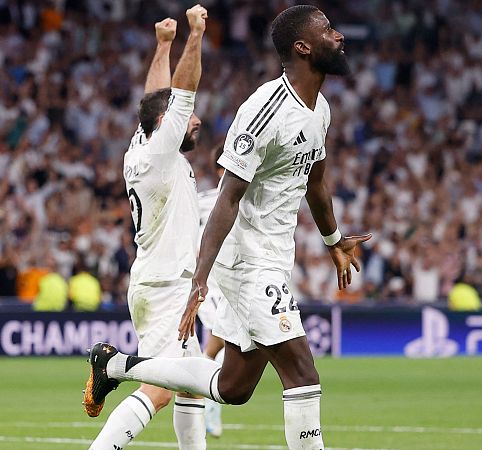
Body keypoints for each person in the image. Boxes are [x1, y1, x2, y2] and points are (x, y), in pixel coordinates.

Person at [85, 6, 371, 449]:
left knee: (232, 388)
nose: (339, 36)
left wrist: (333, 240)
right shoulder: (264, 110)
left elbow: (315, 178)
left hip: (271, 258)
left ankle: (117, 366)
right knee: (301, 372)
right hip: (245, 263)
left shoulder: (320, 110)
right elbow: (227, 197)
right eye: (328, 31)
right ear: (303, 47)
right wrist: (201, 280)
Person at [83, 7, 209, 450]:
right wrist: (195, 34)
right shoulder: (160, 153)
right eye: (186, 118)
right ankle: (110, 369)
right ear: (166, 124)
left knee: (191, 389)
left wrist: (162, 44)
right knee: (159, 388)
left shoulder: (141, 145)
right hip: (165, 287)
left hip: (159, 282)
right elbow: (182, 91)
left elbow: (155, 96)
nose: (196, 121)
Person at [195, 145, 228, 437]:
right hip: (209, 283)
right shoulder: (202, 201)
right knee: (219, 339)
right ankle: (205, 401)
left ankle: (202, 395)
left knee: (225, 343)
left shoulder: (242, 199)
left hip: (232, 283)